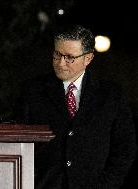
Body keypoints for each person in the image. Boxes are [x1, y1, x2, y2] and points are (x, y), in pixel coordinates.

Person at [14, 24, 136, 189]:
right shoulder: (32, 91)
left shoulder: (110, 95)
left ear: (88, 58)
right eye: (57, 54)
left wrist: (106, 184)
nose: (61, 63)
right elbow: (18, 143)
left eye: (70, 57)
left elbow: (125, 147)